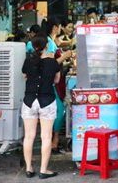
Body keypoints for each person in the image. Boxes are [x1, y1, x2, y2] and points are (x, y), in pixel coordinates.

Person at [21, 36, 61, 179]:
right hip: (47, 100)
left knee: (29, 136)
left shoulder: (28, 61)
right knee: (46, 137)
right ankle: (44, 170)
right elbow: (56, 80)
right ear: (47, 46)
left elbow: (25, 76)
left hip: (29, 101)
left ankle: (29, 168)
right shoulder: (53, 62)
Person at [46, 17, 75, 154]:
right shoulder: (49, 43)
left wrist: (68, 62)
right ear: (55, 28)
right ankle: (54, 141)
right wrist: (66, 56)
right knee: (59, 111)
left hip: (57, 81)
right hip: (52, 82)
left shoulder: (52, 42)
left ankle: (53, 141)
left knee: (57, 110)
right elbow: (51, 63)